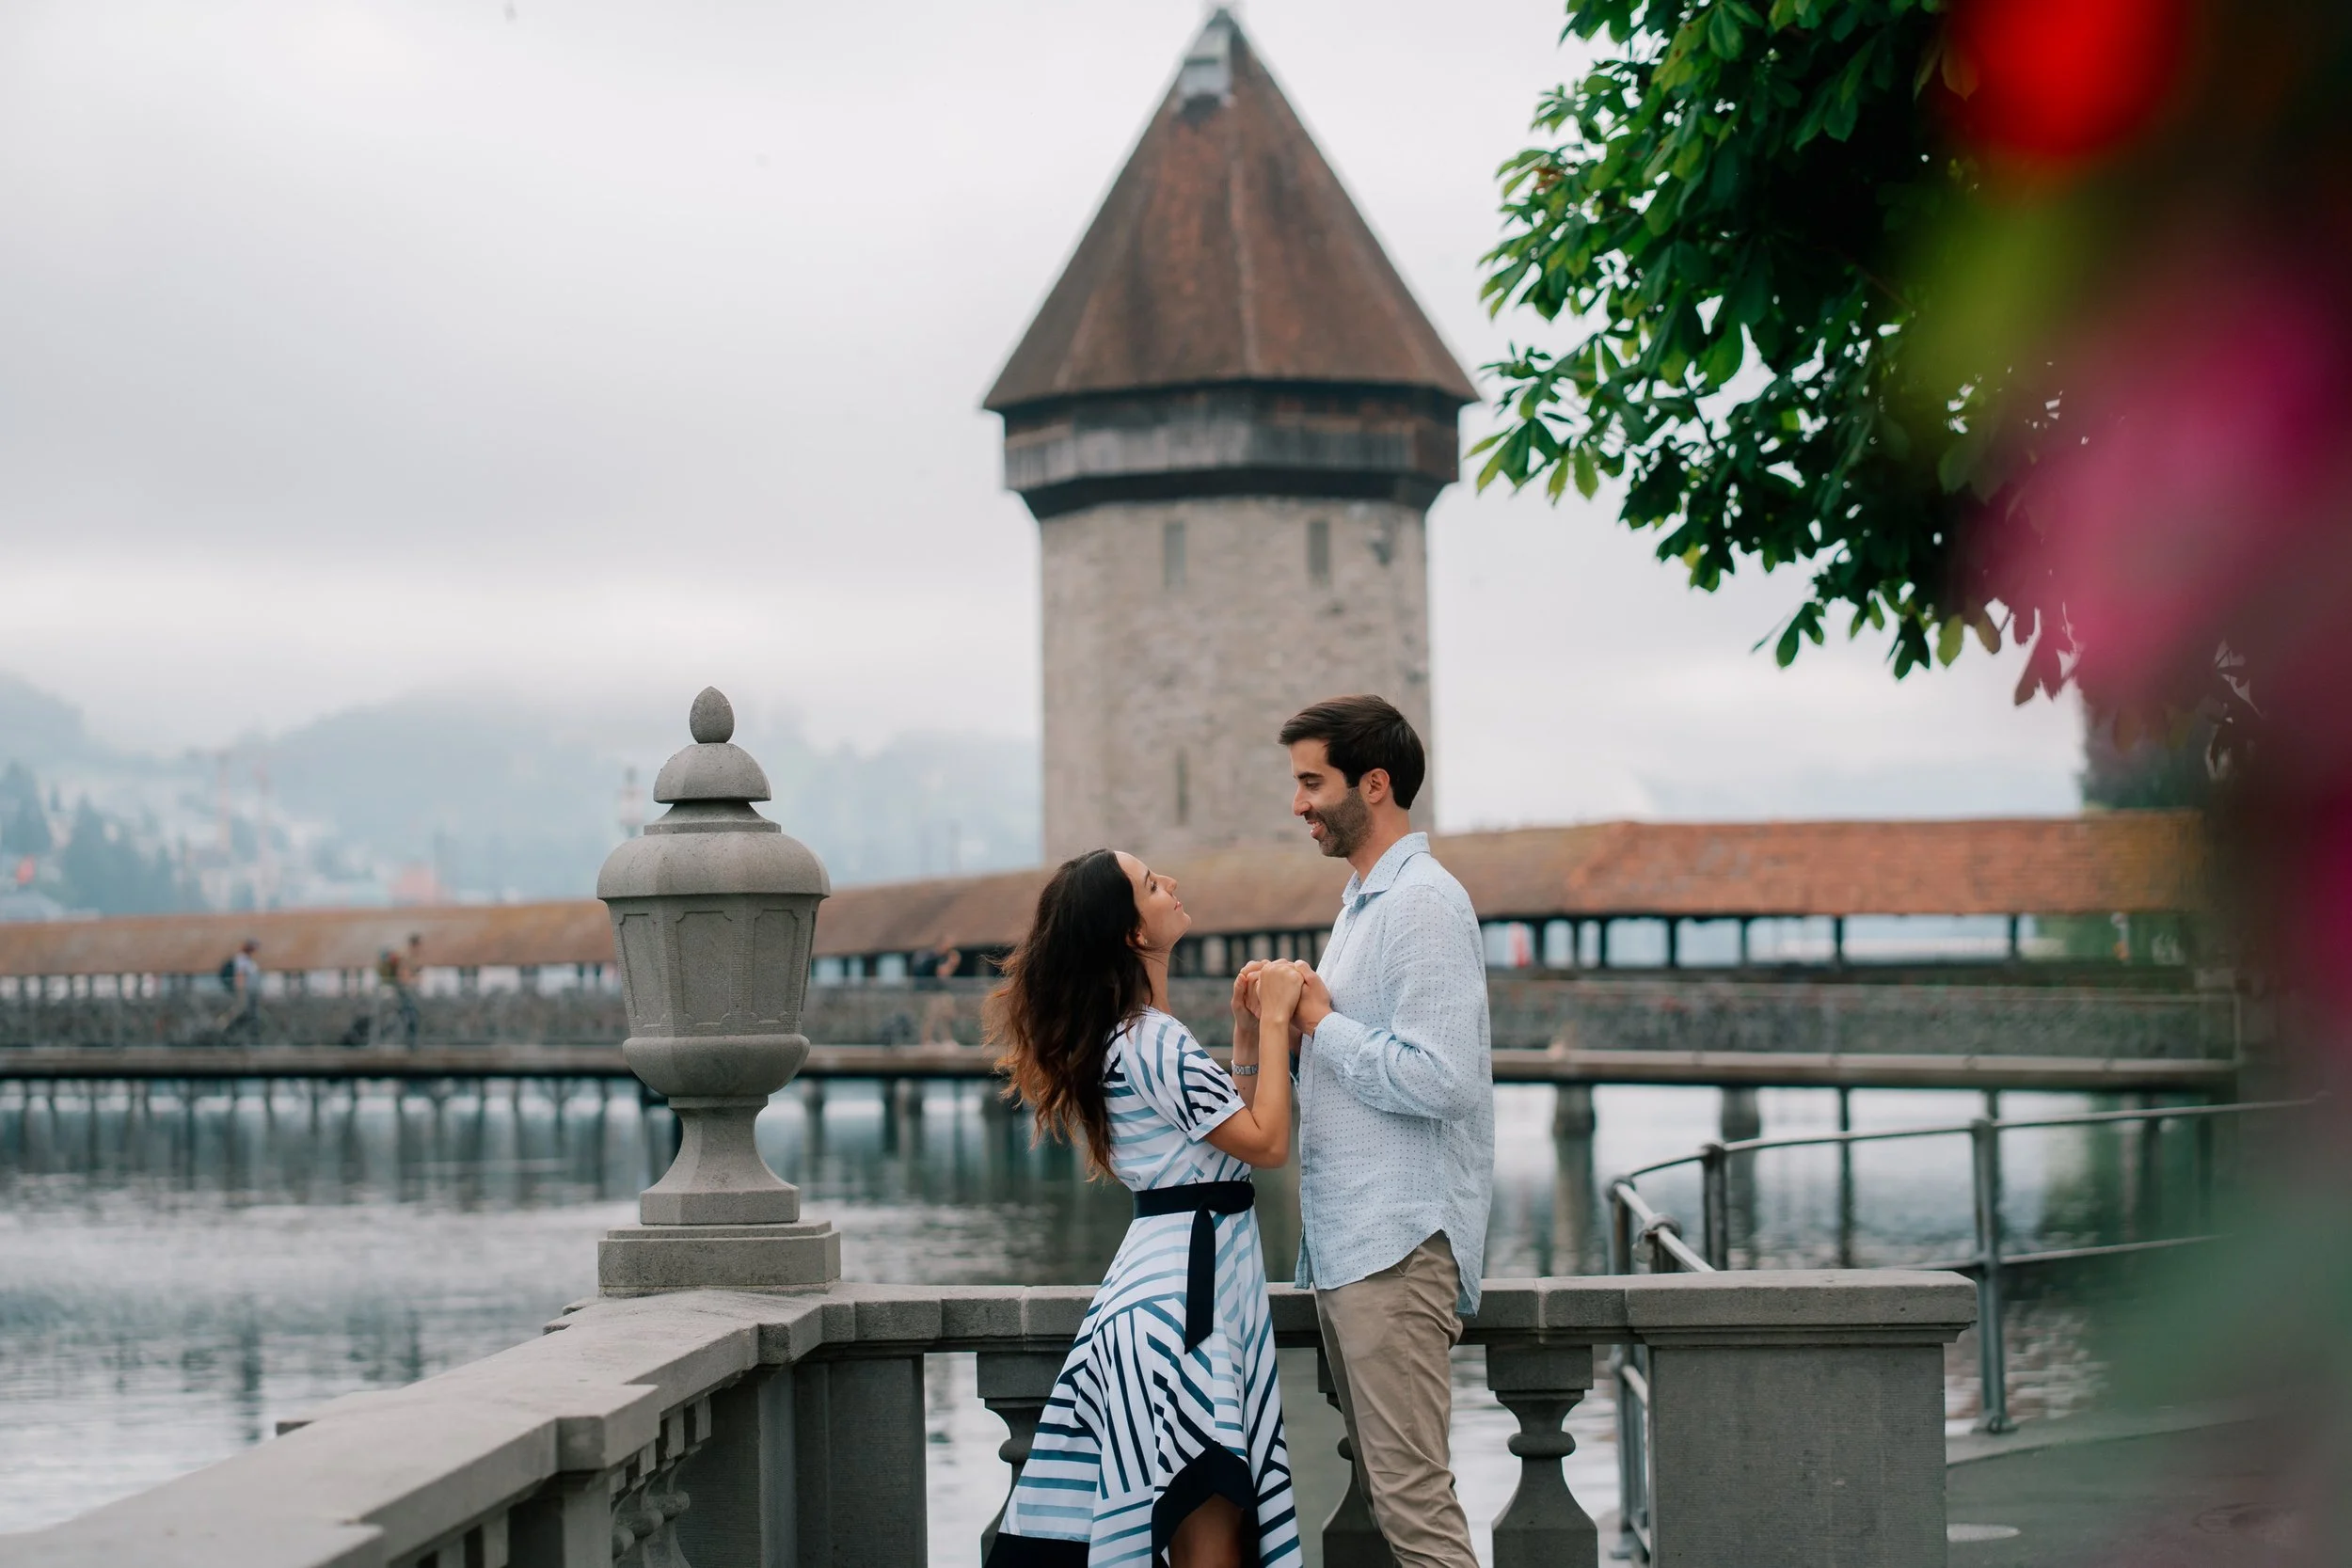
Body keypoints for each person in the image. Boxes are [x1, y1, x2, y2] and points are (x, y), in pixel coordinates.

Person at [986, 848, 1305, 1568]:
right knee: (1211, 1540)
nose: (1172, 887)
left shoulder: (1135, 1037)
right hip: (1182, 1315)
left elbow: (1230, 1135)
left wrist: (1248, 1034)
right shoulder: (1153, 1040)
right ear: (1133, 932)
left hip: (1165, 1292)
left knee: (1201, 1528)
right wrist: (1281, 1018)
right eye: (1153, 885)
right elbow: (1270, 1142)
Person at [1243, 694, 1495, 1568]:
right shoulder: (1362, 905)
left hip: (1397, 1247)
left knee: (1416, 1507)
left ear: (1374, 784)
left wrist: (1319, 1022)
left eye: (1312, 781)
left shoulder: (1420, 903)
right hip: (1360, 1247)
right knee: (1400, 1502)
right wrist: (1277, 1023)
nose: (1299, 803)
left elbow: (1445, 1078)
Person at [376, 933, 422, 1049]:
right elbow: (403, 976)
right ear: (415, 945)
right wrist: (413, 980)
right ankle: (410, 1044)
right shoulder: (406, 957)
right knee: (410, 1015)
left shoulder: (404, 955)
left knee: (403, 1016)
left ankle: (406, 1042)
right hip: (401, 991)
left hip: (399, 991)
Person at [219, 939, 262, 1043]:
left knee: (248, 1013)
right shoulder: (242, 959)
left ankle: (248, 1035)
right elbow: (240, 974)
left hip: (250, 991)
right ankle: (223, 1028)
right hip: (243, 990)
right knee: (241, 1010)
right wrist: (240, 990)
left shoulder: (249, 960)